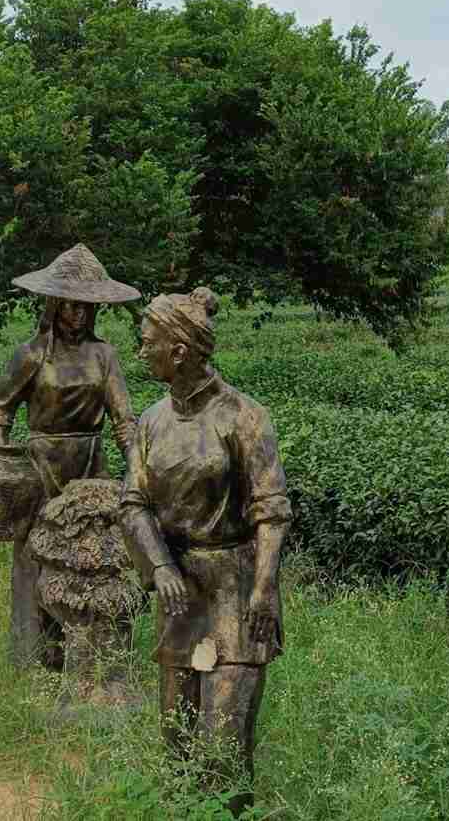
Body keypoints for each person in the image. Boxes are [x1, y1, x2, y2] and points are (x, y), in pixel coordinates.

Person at [119, 286, 291, 813]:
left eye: (146, 342)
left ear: (178, 351)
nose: (139, 352)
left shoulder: (244, 416)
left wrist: (264, 587)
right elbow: (133, 504)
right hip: (179, 594)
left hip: (236, 591)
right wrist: (159, 566)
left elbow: (271, 510)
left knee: (224, 747)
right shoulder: (151, 422)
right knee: (177, 744)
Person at [0, 244, 141, 668]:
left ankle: (96, 658)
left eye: (87, 306)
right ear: (54, 304)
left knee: (93, 555)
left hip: (91, 466)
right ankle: (35, 655)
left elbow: (123, 418)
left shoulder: (104, 355)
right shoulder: (32, 353)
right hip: (41, 466)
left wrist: (136, 465)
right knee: (35, 556)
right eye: (71, 304)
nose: (79, 313)